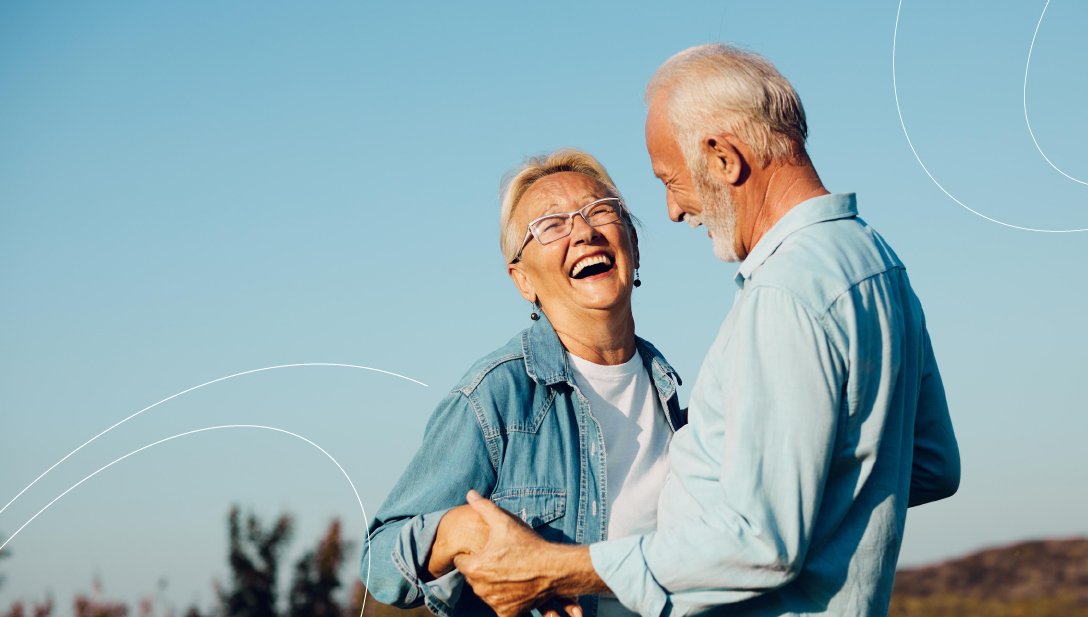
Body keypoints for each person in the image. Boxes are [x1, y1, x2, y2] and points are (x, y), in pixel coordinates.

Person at [453, 43, 962, 617]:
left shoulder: (783, 294)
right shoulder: (876, 260)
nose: (673, 209)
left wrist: (554, 569)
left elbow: (761, 544)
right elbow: (931, 465)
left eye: (671, 180)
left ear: (723, 159)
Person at [359, 149, 687, 617]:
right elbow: (379, 559)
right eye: (551, 225)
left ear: (632, 243)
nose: (584, 231)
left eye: (600, 210)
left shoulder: (672, 395)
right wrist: (459, 530)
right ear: (523, 280)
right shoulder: (495, 395)